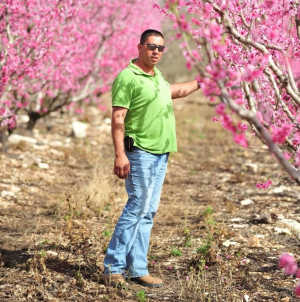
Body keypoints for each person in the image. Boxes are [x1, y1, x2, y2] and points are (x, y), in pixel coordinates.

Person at [103, 29, 201, 288]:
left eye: (160, 47)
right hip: (140, 152)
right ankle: (113, 267)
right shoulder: (128, 77)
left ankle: (137, 268)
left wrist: (203, 81)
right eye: (151, 46)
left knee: (148, 211)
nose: (156, 51)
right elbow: (117, 119)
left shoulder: (155, 76)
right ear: (140, 47)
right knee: (137, 207)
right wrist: (119, 154)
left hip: (161, 153)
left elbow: (177, 91)